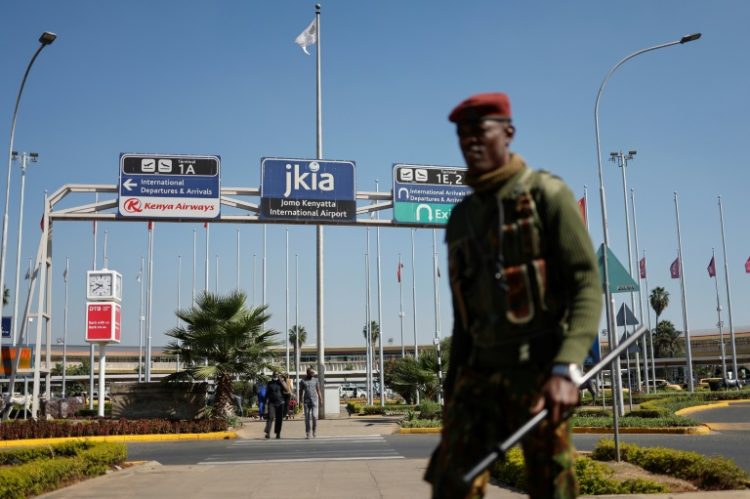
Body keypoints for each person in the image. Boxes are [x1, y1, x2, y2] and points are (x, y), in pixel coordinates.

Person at [424, 92, 601, 499]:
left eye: (480, 131)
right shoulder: (461, 218)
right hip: (479, 374)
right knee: (452, 482)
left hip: (538, 371)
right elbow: (463, 319)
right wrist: (452, 392)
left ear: (508, 132)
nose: (470, 142)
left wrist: (565, 368)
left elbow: (586, 284)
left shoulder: (546, 194)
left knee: (552, 485)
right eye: (462, 135)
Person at [264, 373, 290, 439]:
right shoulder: (269, 383)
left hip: (280, 402)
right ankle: (268, 433)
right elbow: (266, 394)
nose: (276, 376)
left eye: (277, 375)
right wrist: (265, 404)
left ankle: (278, 433)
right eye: (275, 375)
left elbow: (287, 389)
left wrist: (281, 381)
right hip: (271, 403)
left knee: (279, 419)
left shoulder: (281, 382)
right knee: (270, 417)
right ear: (272, 376)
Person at [299, 367, 322, 439]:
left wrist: (321, 399)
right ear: (307, 373)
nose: (313, 374)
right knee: (307, 418)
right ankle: (308, 432)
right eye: (311, 373)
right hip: (306, 401)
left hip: (314, 401)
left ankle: (314, 431)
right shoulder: (303, 381)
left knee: (315, 417)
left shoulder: (316, 380)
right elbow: (301, 391)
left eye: (313, 373)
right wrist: (300, 399)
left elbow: (318, 390)